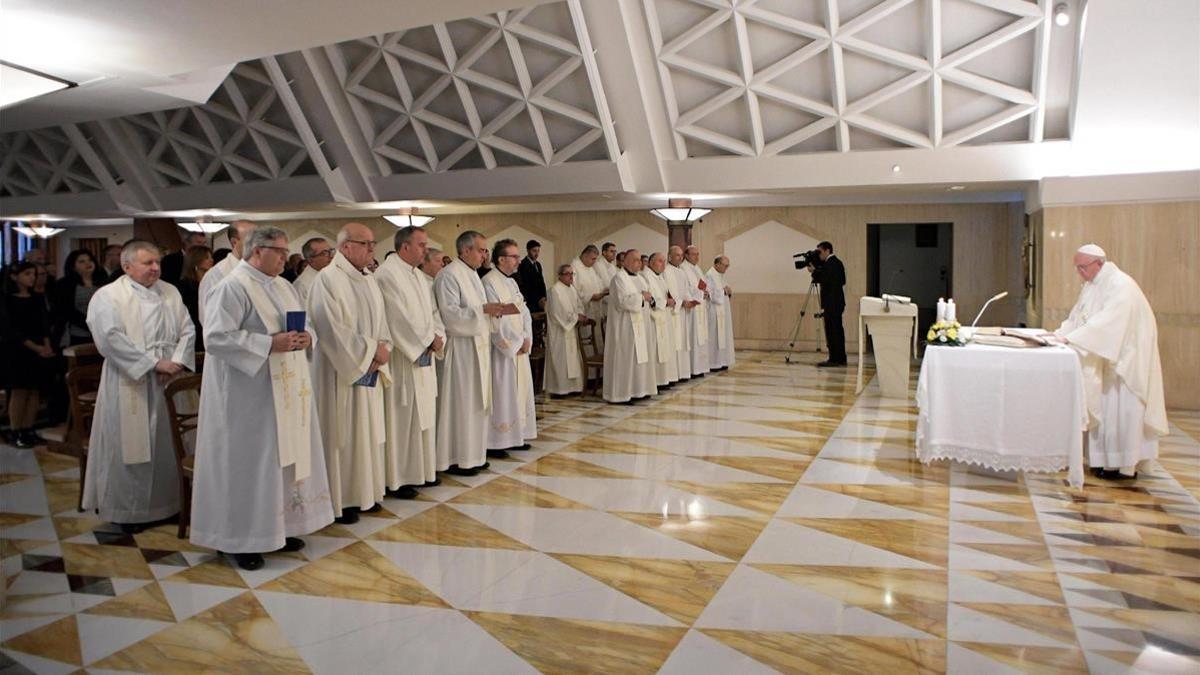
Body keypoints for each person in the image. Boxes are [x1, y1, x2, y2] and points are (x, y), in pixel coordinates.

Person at [191, 227, 333, 570]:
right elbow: (216, 338)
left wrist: (306, 339)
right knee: (248, 465)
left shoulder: (283, 286)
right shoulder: (232, 287)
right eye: (279, 251)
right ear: (257, 252)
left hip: (283, 392)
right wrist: (269, 344)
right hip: (245, 398)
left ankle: (277, 528)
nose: (286, 258)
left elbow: (307, 324)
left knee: (279, 460)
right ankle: (239, 538)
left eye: (287, 251)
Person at [83, 241, 196, 532]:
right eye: (147, 263)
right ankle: (128, 511)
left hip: (169, 379)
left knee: (167, 445)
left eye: (157, 262)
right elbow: (110, 338)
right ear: (126, 266)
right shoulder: (108, 296)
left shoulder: (169, 291)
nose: (155, 268)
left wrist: (177, 362)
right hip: (130, 380)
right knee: (130, 447)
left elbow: (188, 328)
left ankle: (170, 504)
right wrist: (153, 364)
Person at [1052, 244, 1167, 480]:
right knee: (1104, 410)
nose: (1080, 273)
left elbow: (1108, 322)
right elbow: (1078, 317)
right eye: (1077, 268)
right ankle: (1102, 461)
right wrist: (1059, 334)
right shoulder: (1092, 285)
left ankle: (1124, 464)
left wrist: (1072, 338)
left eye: (1083, 267)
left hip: (1125, 362)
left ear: (1099, 263)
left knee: (1122, 411)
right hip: (1105, 355)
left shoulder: (1120, 285)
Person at [309, 223, 390, 524]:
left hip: (368, 367)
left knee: (366, 433)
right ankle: (341, 500)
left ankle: (365, 493)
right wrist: (370, 352)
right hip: (340, 373)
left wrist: (383, 349)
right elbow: (330, 329)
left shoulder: (368, 279)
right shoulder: (328, 279)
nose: (372, 249)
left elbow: (382, 323)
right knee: (343, 434)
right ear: (345, 247)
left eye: (373, 243)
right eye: (366, 244)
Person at [434, 231, 511, 476]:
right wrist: (483, 310)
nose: (485, 255)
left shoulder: (473, 275)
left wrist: (490, 312)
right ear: (465, 250)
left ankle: (475, 454)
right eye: (481, 250)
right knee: (462, 404)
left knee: (478, 403)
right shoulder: (449, 275)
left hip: (478, 348)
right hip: (461, 352)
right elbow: (451, 316)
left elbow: (477, 311)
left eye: (485, 250)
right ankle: (458, 458)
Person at [376, 226, 445, 498]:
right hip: (404, 359)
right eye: (421, 245)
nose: (425, 250)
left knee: (424, 416)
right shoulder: (387, 275)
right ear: (405, 247)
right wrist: (427, 341)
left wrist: (438, 336)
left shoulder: (417, 275)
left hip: (424, 354)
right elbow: (398, 318)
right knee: (403, 419)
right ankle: (400, 478)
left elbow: (433, 313)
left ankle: (422, 471)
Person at [482, 239, 536, 456]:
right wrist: (515, 342)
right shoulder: (489, 282)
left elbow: (524, 313)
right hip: (503, 351)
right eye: (514, 256)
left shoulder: (512, 283)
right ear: (501, 259)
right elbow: (495, 319)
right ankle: (498, 440)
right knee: (503, 393)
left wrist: (526, 337)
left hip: (519, 346)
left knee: (519, 393)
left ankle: (517, 435)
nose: (518, 260)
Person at [3, 262, 57, 447]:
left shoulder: (37, 298)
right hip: (18, 349)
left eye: (33, 274)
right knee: (19, 391)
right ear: (14, 276)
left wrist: (47, 346)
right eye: (27, 274)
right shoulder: (7, 299)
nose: (32, 277)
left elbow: (44, 324)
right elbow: (10, 329)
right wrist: (35, 347)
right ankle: (15, 430)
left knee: (35, 390)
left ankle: (28, 428)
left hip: (39, 348)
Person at [604, 249, 658, 403]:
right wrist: (642, 297)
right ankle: (623, 393)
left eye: (640, 260)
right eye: (635, 260)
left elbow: (649, 296)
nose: (639, 263)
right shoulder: (618, 279)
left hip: (641, 325)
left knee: (640, 357)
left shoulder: (640, 278)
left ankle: (641, 389)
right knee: (626, 358)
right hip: (625, 327)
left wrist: (649, 298)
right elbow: (623, 302)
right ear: (625, 261)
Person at [199, 220, 256, 325]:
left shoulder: (262, 271)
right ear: (234, 242)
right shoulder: (216, 275)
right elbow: (209, 320)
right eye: (251, 240)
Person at [544, 263, 589, 396]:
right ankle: (560, 389)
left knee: (573, 358)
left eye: (572, 274)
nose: (571, 276)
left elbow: (579, 305)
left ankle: (574, 387)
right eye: (567, 274)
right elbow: (558, 313)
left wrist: (580, 315)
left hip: (571, 330)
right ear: (560, 275)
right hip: (560, 331)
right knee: (561, 359)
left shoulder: (572, 289)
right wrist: (576, 317)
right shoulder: (554, 290)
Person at [53, 249, 108, 347]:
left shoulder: (103, 281)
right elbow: (67, 311)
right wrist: (90, 325)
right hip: (79, 331)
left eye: (90, 260)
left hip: (104, 330)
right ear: (73, 266)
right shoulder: (65, 284)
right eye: (82, 261)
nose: (88, 263)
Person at [642, 253, 680, 387]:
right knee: (656, 349)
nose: (663, 264)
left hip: (663, 317)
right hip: (654, 319)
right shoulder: (646, 276)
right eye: (660, 261)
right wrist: (665, 302)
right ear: (651, 263)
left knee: (665, 348)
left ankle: (664, 378)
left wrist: (669, 300)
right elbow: (650, 299)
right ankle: (657, 380)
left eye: (664, 262)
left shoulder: (659, 277)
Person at [808, 241, 846, 367]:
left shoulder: (832, 264)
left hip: (833, 303)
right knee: (836, 330)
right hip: (835, 302)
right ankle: (839, 357)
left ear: (827, 250)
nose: (818, 255)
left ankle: (835, 359)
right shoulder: (836, 263)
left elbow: (825, 279)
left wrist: (814, 271)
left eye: (820, 252)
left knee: (833, 331)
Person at [662, 247, 693, 383]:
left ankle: (682, 372)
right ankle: (673, 374)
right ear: (669, 257)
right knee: (674, 343)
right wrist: (681, 302)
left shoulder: (681, 272)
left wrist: (689, 300)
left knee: (682, 342)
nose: (680, 258)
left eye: (681, 255)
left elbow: (685, 290)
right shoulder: (666, 271)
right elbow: (669, 292)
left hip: (682, 312)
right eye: (677, 255)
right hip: (672, 313)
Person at [680, 245, 710, 376]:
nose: (697, 257)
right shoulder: (683, 268)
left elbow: (703, 284)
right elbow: (686, 288)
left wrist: (706, 292)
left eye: (698, 254)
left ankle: (700, 367)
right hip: (691, 309)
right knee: (693, 337)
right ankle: (693, 368)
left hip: (700, 307)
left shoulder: (697, 268)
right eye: (694, 254)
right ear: (686, 255)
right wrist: (700, 292)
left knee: (701, 337)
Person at [571, 245, 609, 348]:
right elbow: (574, 291)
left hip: (595, 308)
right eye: (592, 259)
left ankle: (594, 360)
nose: (594, 262)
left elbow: (598, 283)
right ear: (585, 256)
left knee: (596, 341)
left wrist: (603, 290)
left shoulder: (590, 268)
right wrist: (591, 296)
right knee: (586, 340)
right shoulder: (574, 268)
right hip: (584, 310)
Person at [177, 246, 214, 351]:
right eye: (206, 257)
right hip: (193, 328)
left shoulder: (213, 281)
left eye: (211, 257)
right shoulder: (185, 285)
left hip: (208, 326)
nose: (211, 260)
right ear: (196, 260)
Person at [706, 255, 736, 370]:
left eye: (728, 266)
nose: (726, 268)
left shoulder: (720, 275)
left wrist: (727, 290)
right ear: (717, 264)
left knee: (724, 336)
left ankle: (723, 360)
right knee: (715, 337)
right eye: (725, 265)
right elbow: (710, 293)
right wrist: (723, 291)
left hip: (723, 313)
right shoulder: (709, 275)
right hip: (714, 312)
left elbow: (723, 290)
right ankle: (714, 363)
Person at [293, 236, 334, 306]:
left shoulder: (332, 275)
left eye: (331, 251)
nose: (331, 256)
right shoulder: (302, 285)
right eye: (325, 253)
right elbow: (301, 315)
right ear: (310, 260)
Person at [515, 239, 548, 312]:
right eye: (534, 251)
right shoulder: (522, 265)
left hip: (541, 302)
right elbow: (525, 286)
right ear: (528, 250)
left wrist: (544, 297)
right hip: (530, 302)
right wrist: (538, 300)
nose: (537, 253)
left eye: (538, 251)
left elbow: (541, 282)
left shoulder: (538, 265)